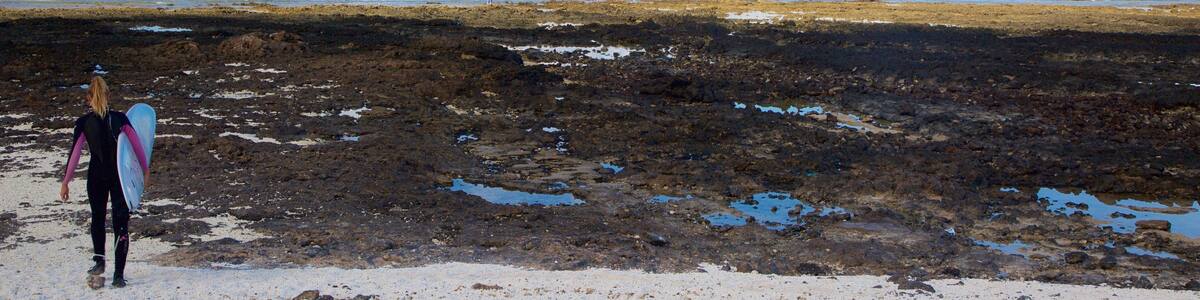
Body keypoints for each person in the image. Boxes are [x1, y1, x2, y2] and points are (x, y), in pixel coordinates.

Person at [59, 76, 150, 288]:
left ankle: (99, 262)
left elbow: (74, 154)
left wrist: (66, 181)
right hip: (119, 176)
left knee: (98, 218)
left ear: (88, 98)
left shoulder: (84, 123)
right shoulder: (120, 119)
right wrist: (145, 171)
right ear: (108, 95)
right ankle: (118, 276)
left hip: (96, 175)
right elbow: (137, 146)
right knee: (120, 223)